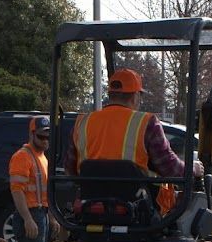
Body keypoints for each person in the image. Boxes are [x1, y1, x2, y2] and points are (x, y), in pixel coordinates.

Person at [65, 68, 204, 209]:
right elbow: (170, 168)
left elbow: (71, 171)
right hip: (137, 211)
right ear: (135, 96)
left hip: (90, 208)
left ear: (110, 95)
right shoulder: (147, 122)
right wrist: (193, 169)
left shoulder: (82, 122)